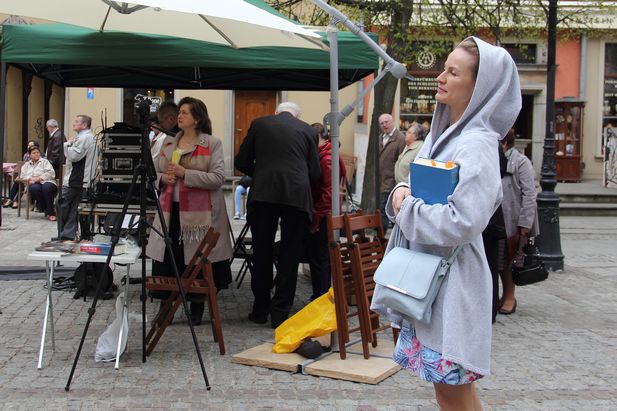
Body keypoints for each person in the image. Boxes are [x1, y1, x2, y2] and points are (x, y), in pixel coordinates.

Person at [381, 37, 521, 410]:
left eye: (452, 72)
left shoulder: (475, 145)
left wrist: (405, 205)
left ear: (479, 88)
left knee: (451, 391)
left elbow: (463, 221)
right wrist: (402, 194)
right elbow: (416, 189)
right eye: (444, 67)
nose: (440, 76)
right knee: (453, 390)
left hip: (452, 282)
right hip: (432, 279)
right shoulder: (442, 136)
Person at [146, 96, 233, 325]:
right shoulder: (167, 143)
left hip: (199, 218)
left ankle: (197, 305)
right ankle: (166, 306)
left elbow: (217, 178)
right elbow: (151, 175)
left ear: (197, 119)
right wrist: (165, 176)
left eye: (184, 112)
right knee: (168, 259)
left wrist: (186, 174)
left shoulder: (211, 143)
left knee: (195, 261)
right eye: (179, 112)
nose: (179, 116)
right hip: (169, 213)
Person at [235, 101, 321, 329]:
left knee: (262, 251)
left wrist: (263, 172)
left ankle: (260, 309)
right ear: (297, 115)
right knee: (290, 255)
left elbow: (241, 161)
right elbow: (315, 172)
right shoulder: (308, 131)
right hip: (296, 196)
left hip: (264, 194)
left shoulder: (260, 124)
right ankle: (280, 313)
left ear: (276, 112)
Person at [499, 129, 539, 315]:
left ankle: (510, 297)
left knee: (511, 261)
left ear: (505, 143)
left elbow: (530, 194)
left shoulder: (521, 161)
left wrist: (525, 224)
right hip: (498, 220)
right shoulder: (495, 161)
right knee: (500, 261)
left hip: (514, 221)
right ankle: (504, 295)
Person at [306, 122, 346, 301]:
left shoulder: (327, 157)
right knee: (319, 258)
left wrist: (316, 217)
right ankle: (319, 296)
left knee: (320, 259)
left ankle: (320, 298)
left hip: (324, 215)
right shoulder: (327, 154)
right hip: (324, 213)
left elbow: (328, 193)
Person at [54, 115, 97, 241]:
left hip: (76, 178)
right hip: (81, 178)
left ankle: (65, 233)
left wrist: (67, 144)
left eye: (76, 121)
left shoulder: (84, 138)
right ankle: (68, 234)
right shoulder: (86, 137)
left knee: (60, 202)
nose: (73, 123)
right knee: (73, 207)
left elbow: (73, 156)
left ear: (84, 125)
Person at [378, 113, 405, 230]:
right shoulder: (381, 137)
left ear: (392, 121)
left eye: (386, 122)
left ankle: (381, 239)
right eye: (382, 123)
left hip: (392, 182)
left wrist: (396, 181)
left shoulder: (400, 138)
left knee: (388, 210)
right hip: (382, 180)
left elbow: (401, 161)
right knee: (384, 210)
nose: (384, 125)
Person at [19, 145, 58, 220]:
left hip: (47, 181)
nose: (36, 154)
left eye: (37, 152)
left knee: (46, 188)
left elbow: (51, 173)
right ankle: (46, 207)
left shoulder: (45, 162)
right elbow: (23, 176)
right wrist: (30, 179)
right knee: (34, 188)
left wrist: (39, 178)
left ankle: (50, 212)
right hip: (33, 183)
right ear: (30, 155)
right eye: (34, 153)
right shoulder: (26, 165)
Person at [3, 140, 39, 209]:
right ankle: (11, 199)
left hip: (33, 176)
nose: (29, 146)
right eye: (28, 145)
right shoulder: (26, 155)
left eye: (31, 145)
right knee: (18, 181)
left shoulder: (39, 156)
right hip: (25, 174)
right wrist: (20, 176)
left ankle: (16, 200)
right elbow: (24, 167)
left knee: (21, 182)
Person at [150, 101, 179, 166]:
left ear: (171, 119)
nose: (160, 126)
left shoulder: (176, 138)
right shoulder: (168, 137)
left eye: (161, 122)